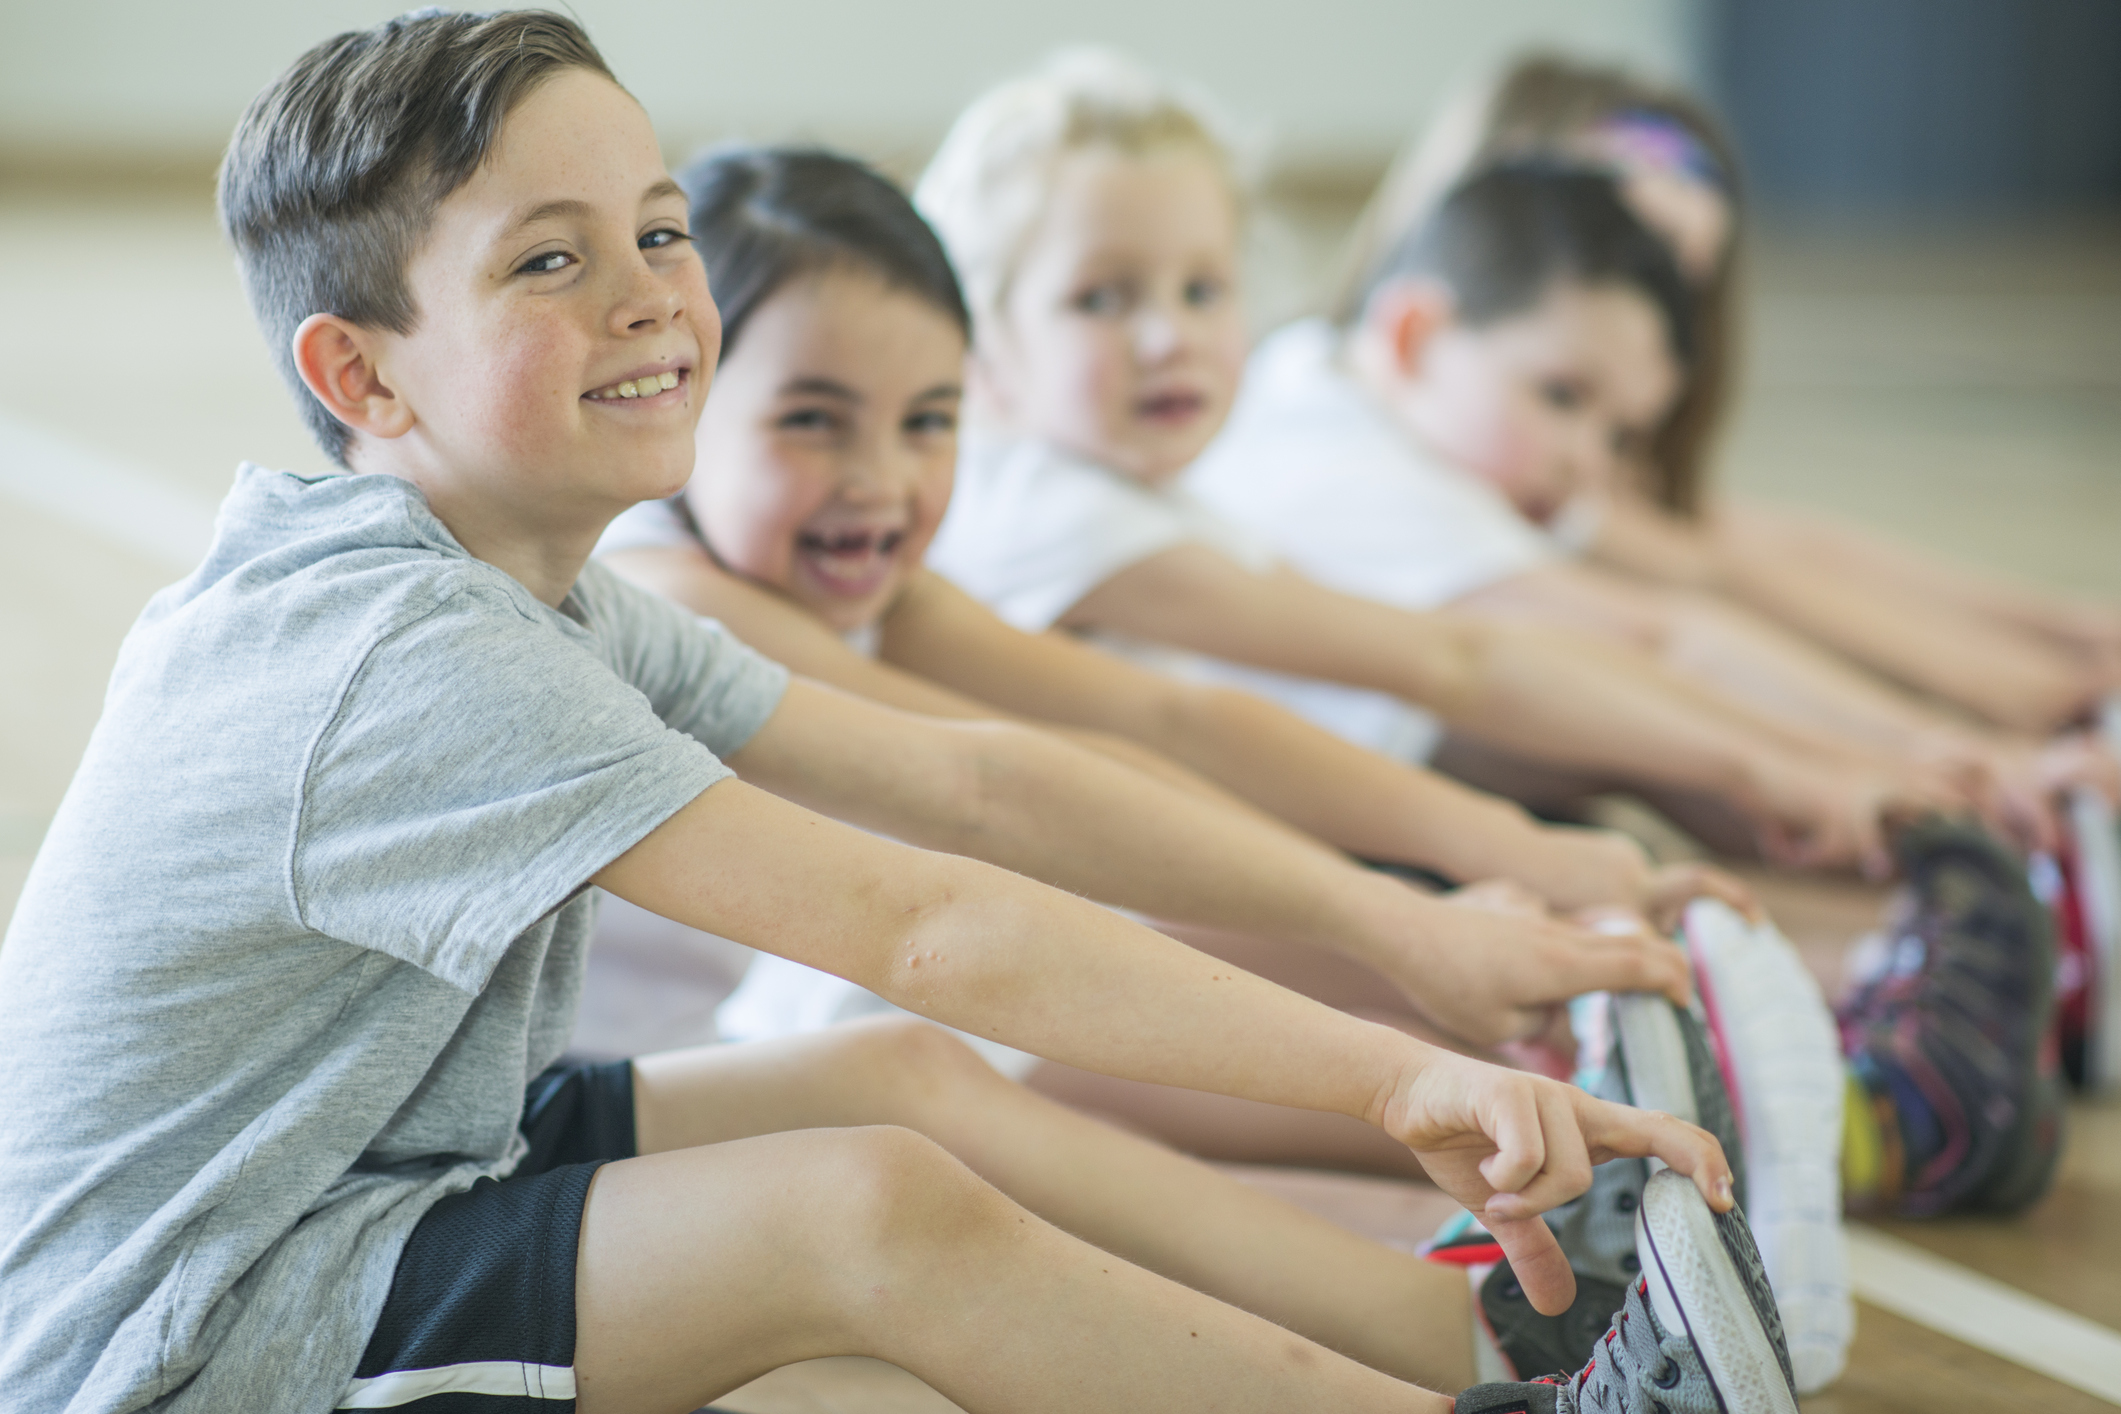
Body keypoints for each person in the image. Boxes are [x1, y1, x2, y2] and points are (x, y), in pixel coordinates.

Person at [0, 13, 1788, 1414]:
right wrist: (1398, 1059)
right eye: (549, 261)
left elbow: (980, 785)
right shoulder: (400, 652)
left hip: (369, 1163)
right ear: (359, 370)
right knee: (859, 1205)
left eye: (657, 227)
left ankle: (1489, 1323)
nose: (648, 295)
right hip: (187, 1321)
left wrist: (1414, 930)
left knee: (900, 1083)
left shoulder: (517, 586)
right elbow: (927, 910)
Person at [589, 142, 1753, 1156]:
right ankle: (1509, 1203)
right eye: (810, 419)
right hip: (638, 1099)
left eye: (927, 422)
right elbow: (992, 782)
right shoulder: (679, 592)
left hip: (798, 1038)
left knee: (1090, 936)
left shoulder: (861, 574)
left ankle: (1531, 1083)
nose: (881, 481)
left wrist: (1500, 878)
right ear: (680, 394)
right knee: (1015, 986)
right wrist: (1408, 924)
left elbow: (1161, 723)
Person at [1187, 161, 2118, 857]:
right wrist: (1949, 755)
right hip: (1256, 840)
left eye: (1620, 432)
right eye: (1561, 395)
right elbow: (1657, 642)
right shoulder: (1339, 468)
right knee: (1645, 733)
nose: (1589, 458)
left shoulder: (1372, 386)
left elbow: (1744, 548)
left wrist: (2037, 670)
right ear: (1415, 333)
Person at [1333, 52, 2121, 737]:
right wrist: (2005, 696)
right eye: (1639, 255)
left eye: (1684, 282)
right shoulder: (1429, 421)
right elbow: (1704, 593)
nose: (1659, 306)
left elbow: (1773, 546)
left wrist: (2058, 632)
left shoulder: (1544, 426)